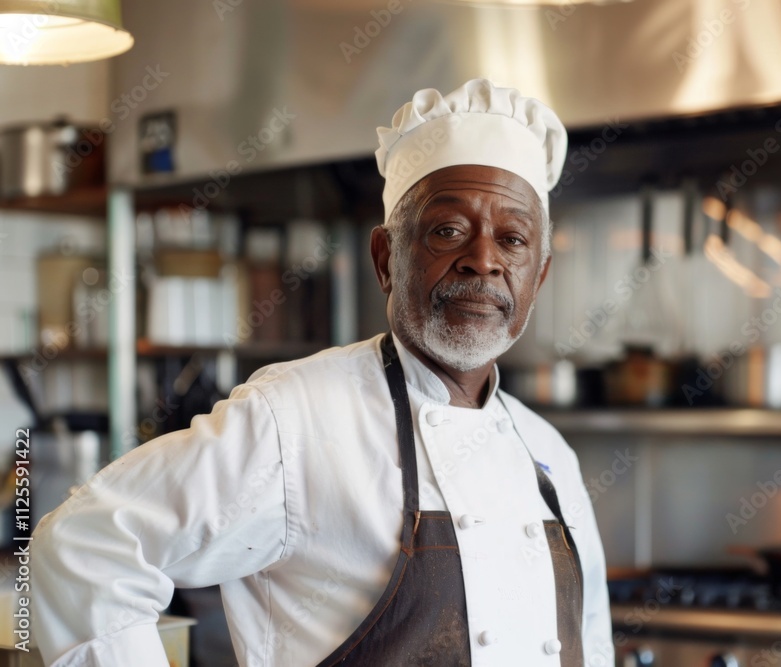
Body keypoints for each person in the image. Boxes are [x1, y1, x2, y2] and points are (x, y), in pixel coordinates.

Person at [32, 78, 614, 667]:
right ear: (386, 259)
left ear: (538, 276)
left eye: (512, 239)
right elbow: (85, 548)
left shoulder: (548, 454)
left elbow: (591, 645)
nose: (483, 260)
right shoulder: (296, 422)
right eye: (448, 231)